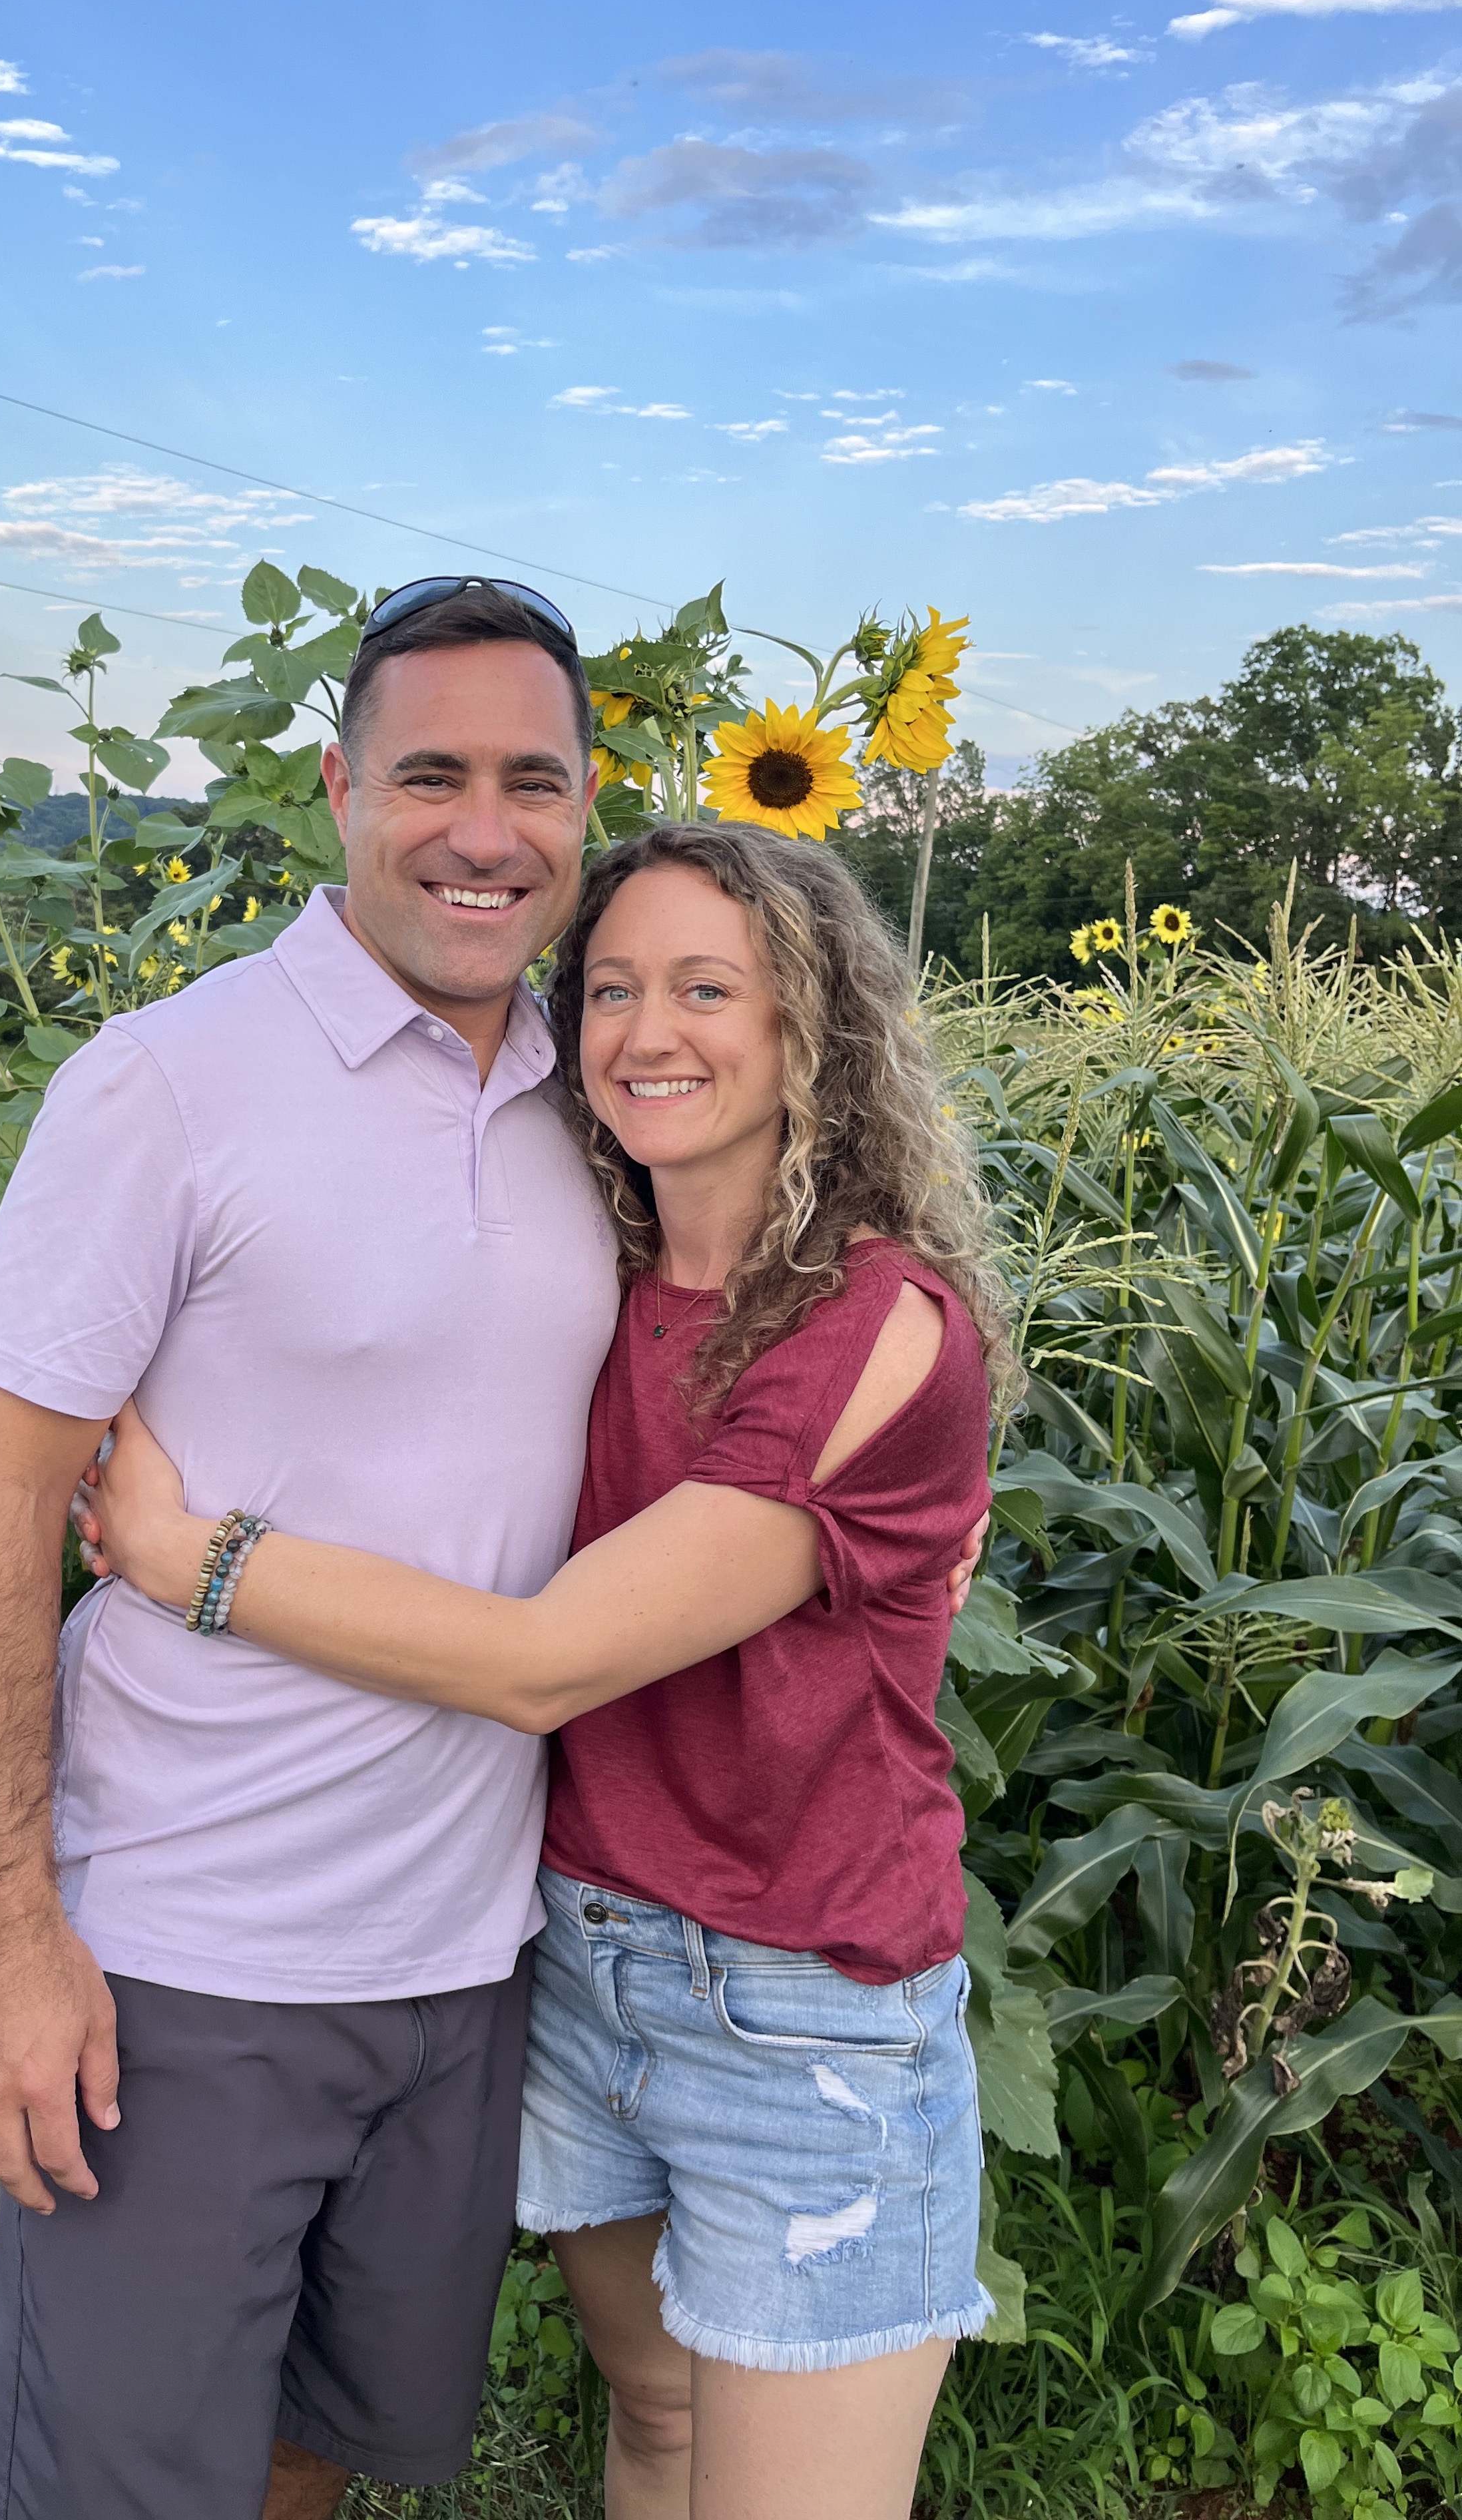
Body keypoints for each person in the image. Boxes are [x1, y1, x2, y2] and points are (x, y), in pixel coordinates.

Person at [80, 818, 1014, 2520]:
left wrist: (189, 1557)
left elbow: (541, 1663)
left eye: (708, 989)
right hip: (578, 1957)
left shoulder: (875, 1324)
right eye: (612, 989)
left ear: (810, 1023)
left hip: (802, 2003)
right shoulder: (598, 1267)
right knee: (653, 2416)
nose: (648, 1032)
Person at [0, 577, 626, 2520]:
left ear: (587, 804)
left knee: (321, 2449)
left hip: (470, 1950)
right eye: (431, 775)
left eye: (535, 782)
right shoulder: (167, 1087)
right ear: (339, 790)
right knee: (127, 2487)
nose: (484, 831)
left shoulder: (599, 1099)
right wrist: (6, 1932)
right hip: (188, 1959)